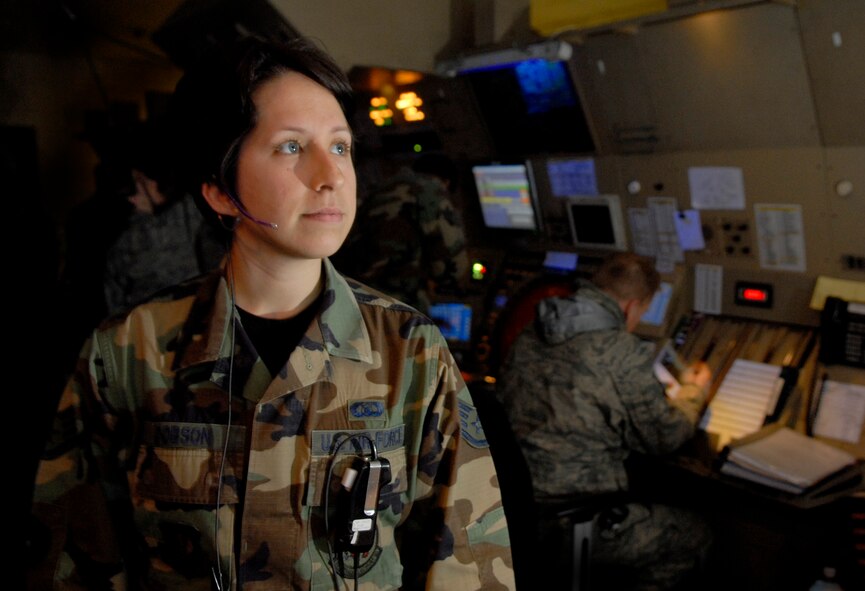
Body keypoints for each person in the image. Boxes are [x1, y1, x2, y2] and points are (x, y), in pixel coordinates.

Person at [29, 35, 515, 591]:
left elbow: (470, 566)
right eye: (290, 147)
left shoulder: (411, 350)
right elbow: (75, 561)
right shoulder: (125, 351)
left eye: (339, 147)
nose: (330, 176)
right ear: (217, 189)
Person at [496, 251, 714, 590]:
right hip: (576, 522)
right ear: (632, 307)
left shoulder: (530, 332)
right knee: (692, 534)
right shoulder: (621, 351)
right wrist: (692, 392)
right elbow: (665, 437)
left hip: (513, 513)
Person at [102, 119, 225, 315]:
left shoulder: (202, 214)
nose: (132, 197)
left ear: (152, 179)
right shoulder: (125, 233)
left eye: (136, 182)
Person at [333, 152, 470, 314]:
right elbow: (453, 269)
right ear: (446, 182)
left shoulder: (382, 188)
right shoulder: (433, 190)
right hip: (390, 303)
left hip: (347, 293)